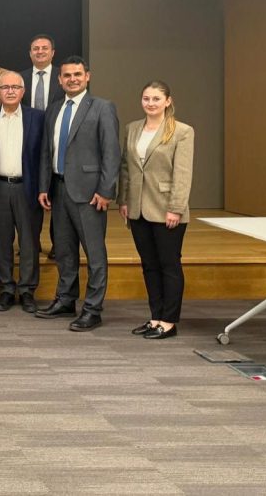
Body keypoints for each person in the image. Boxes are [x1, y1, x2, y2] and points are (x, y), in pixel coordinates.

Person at [36, 56, 120, 332]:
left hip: (90, 194)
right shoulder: (54, 109)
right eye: (67, 75)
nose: (72, 79)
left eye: (77, 74)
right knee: (64, 251)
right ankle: (65, 300)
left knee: (94, 255)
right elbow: (47, 151)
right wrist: (44, 186)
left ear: (87, 77)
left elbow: (111, 153)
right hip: (59, 190)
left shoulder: (102, 107)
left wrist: (106, 191)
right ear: (60, 80)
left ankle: (93, 309)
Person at [117, 81, 194, 340]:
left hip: (166, 209)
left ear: (167, 101)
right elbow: (126, 167)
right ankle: (155, 317)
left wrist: (176, 208)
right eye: (146, 98)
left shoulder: (182, 131)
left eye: (156, 99)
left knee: (169, 265)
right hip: (137, 208)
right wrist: (124, 200)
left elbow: (183, 174)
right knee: (149, 265)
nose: (150, 103)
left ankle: (169, 321)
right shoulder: (132, 128)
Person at [0, 72, 44, 314]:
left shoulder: (37, 118)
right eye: (5, 87)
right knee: (1, 241)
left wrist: (44, 188)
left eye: (15, 87)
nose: (10, 91)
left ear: (23, 91)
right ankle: (6, 289)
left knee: (29, 241)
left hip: (27, 187)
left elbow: (44, 156)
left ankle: (27, 290)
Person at [20, 34, 63, 259]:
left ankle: (58, 244)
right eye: (35, 48)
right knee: (30, 197)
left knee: (57, 195)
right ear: (30, 53)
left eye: (44, 48)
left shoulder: (63, 76)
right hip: (28, 144)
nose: (40, 51)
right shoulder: (20, 78)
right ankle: (31, 243)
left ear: (52, 52)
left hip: (57, 142)